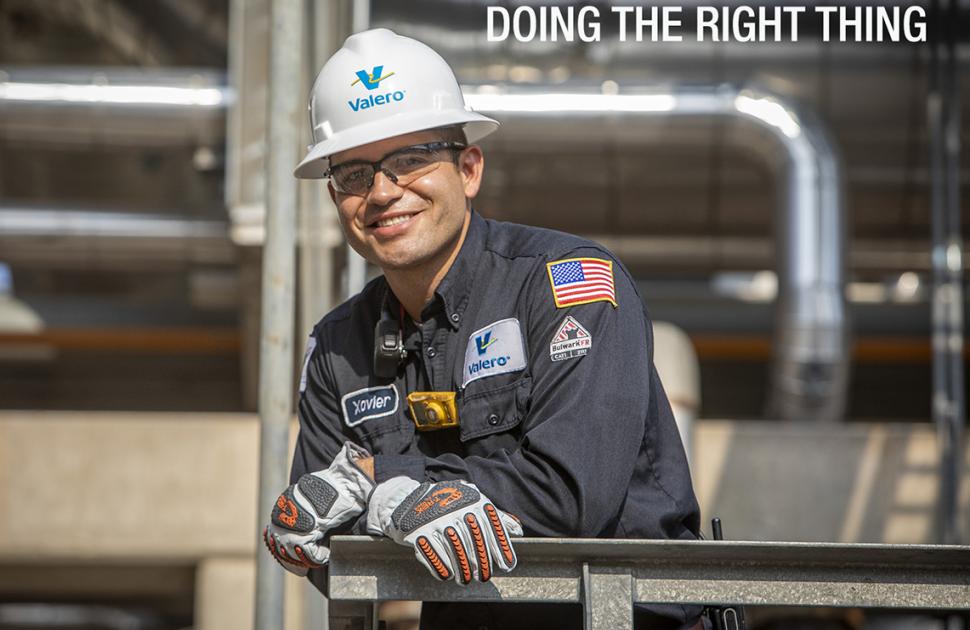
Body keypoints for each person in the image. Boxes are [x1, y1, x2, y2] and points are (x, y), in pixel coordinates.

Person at [262, 28, 704, 630]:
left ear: (468, 169)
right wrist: (353, 514)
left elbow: (573, 495)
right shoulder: (339, 345)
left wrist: (387, 484)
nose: (384, 193)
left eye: (410, 160)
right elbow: (326, 545)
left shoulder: (567, 284)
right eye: (354, 174)